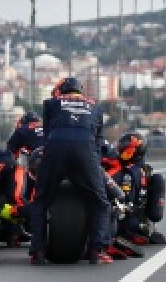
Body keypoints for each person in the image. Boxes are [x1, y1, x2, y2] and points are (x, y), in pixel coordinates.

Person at [29, 76, 112, 265]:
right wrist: (93, 167)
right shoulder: (96, 106)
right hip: (86, 151)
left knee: (41, 200)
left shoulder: (51, 103)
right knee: (100, 203)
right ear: (81, 91)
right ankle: (97, 251)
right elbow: (98, 140)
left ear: (63, 91)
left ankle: (37, 251)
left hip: (55, 149)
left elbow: (48, 133)